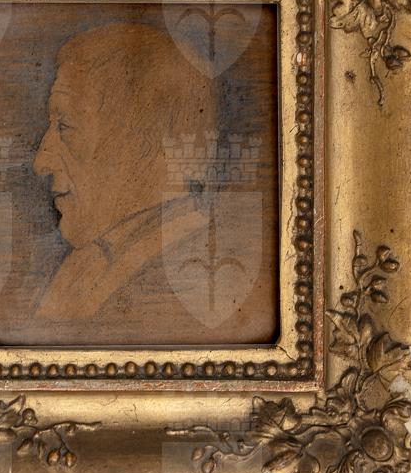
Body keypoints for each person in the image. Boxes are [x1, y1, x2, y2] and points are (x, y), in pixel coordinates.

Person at [31, 22, 275, 345]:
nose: (41, 163)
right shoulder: (90, 262)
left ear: (141, 142)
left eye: (66, 127)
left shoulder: (191, 278)